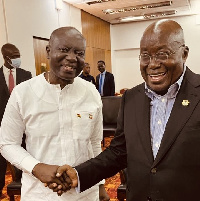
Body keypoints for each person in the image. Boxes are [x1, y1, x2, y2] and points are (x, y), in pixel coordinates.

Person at [48, 19, 200, 201]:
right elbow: (118, 153)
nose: (152, 64)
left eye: (162, 54)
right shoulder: (131, 98)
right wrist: (78, 174)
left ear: (184, 54)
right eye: (145, 56)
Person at [0, 27, 109, 201]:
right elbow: (7, 143)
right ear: (49, 51)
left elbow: (95, 143)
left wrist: (101, 184)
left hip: (85, 193)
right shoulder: (23, 93)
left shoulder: (91, 92)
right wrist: (37, 167)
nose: (72, 58)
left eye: (79, 53)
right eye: (64, 50)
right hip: (39, 193)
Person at [0, 43, 32, 198]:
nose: (17, 58)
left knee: (25, 159)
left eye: (18, 55)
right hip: (1, 127)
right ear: (5, 57)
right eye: (13, 56)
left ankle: (26, 187)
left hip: (25, 127)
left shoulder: (26, 75)